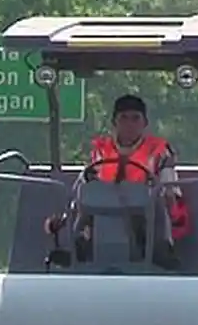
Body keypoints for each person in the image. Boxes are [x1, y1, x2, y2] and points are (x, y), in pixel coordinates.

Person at [44, 95, 190, 261]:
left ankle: (161, 251)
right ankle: (78, 249)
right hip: (103, 216)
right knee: (89, 196)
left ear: (144, 123)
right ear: (115, 123)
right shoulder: (101, 151)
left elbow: (169, 190)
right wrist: (64, 218)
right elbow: (81, 187)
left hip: (144, 218)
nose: (130, 124)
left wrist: (171, 210)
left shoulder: (159, 151)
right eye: (124, 118)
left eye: (135, 118)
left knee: (158, 201)